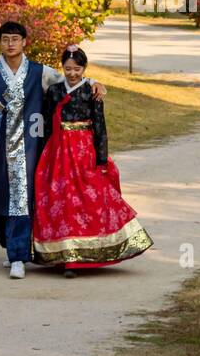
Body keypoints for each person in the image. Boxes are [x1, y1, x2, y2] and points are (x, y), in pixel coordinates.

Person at [0, 21, 107, 279]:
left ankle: (19, 256)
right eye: (5, 39)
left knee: (24, 196)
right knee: (1, 196)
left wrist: (94, 81)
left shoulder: (39, 72)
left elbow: (70, 79)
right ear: (0, 43)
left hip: (32, 145)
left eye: (15, 39)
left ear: (24, 42)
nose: (10, 43)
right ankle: (10, 243)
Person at [33, 45, 151, 277]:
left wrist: (101, 158)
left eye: (77, 69)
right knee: (61, 200)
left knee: (87, 199)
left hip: (82, 150)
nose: (72, 73)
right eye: (68, 68)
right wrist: (43, 153)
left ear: (84, 68)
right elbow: (47, 123)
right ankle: (65, 255)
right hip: (58, 151)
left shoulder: (92, 91)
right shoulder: (55, 90)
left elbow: (100, 126)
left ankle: (86, 254)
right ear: (62, 68)